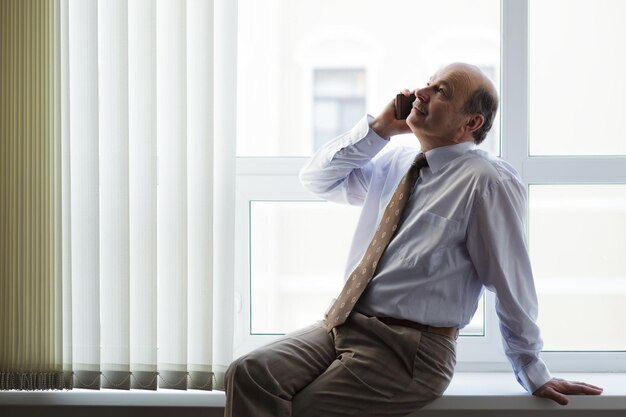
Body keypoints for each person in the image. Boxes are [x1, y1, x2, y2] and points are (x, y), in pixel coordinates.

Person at [224, 62, 603, 417]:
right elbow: (317, 178)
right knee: (249, 373)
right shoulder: (396, 163)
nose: (420, 92)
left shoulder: (487, 180)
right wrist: (381, 130)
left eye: (441, 91)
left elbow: (510, 281)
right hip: (343, 323)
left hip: (411, 350)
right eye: (428, 83)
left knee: (304, 408)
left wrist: (532, 369)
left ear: (470, 122)